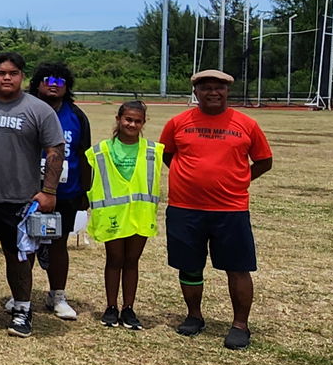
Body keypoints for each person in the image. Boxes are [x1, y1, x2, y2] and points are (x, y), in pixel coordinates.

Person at [160, 69, 273, 350]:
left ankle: (240, 325)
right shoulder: (177, 123)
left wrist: (238, 179)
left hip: (230, 209)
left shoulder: (246, 124)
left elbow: (263, 161)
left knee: (238, 268)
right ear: (195, 92)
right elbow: (167, 155)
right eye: (206, 87)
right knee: (189, 266)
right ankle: (194, 316)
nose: (213, 92)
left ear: (227, 91)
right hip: (185, 208)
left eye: (219, 88)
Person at [0, 52, 63, 339]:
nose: (7, 77)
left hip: (20, 199)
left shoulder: (39, 110)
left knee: (17, 258)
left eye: (13, 73)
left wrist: (49, 191)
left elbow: (55, 150)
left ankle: (22, 309)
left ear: (22, 76)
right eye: (1, 72)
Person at [84, 101, 162, 330]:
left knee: (131, 262)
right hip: (113, 215)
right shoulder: (100, 151)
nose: (132, 124)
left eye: (137, 121)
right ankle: (111, 307)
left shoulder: (153, 150)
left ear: (143, 123)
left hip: (140, 214)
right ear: (118, 119)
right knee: (114, 260)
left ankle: (128, 308)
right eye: (128, 119)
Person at [29, 61, 92, 321]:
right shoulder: (25, 109)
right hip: (28, 191)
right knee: (26, 245)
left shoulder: (76, 116)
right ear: (37, 84)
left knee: (58, 244)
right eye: (47, 80)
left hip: (64, 192)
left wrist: (83, 191)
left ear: (68, 87)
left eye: (60, 82)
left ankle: (57, 295)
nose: (54, 86)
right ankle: (20, 294)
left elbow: (82, 154)